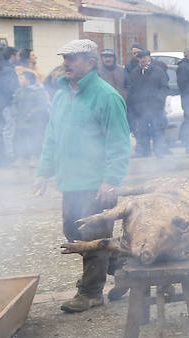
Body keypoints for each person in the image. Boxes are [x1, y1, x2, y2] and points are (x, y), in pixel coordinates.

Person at [33, 39, 130, 313]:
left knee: (93, 237)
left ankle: (90, 293)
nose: (66, 63)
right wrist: (43, 172)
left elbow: (120, 143)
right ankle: (123, 266)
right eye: (65, 58)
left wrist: (111, 179)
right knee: (74, 233)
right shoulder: (62, 95)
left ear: (90, 63)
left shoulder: (107, 96)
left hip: (96, 184)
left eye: (73, 58)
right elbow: (52, 137)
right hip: (70, 182)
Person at [126, 51, 171, 157]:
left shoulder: (158, 71)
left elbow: (165, 88)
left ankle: (159, 152)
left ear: (149, 58)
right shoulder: (134, 73)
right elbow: (132, 91)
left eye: (144, 57)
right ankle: (146, 153)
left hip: (156, 108)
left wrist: (159, 101)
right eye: (140, 58)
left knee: (157, 131)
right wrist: (135, 106)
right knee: (143, 132)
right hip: (141, 110)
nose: (142, 60)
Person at [12, 71, 50, 169]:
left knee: (34, 139)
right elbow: (14, 104)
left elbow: (42, 105)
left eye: (22, 78)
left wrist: (32, 113)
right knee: (20, 139)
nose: (19, 80)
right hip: (20, 121)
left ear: (28, 80)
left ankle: (34, 158)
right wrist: (15, 113)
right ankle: (20, 157)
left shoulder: (38, 91)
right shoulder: (19, 91)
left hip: (34, 122)